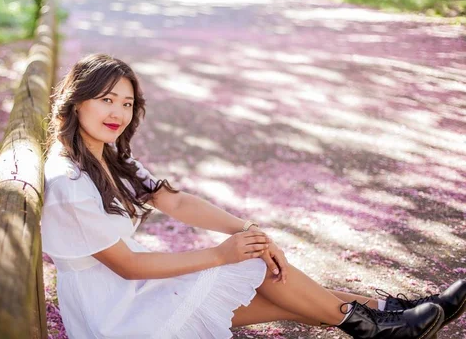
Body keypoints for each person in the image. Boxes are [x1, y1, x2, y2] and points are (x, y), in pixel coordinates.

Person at [41, 53, 466, 339]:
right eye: (106, 100)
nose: (118, 113)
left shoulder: (111, 161)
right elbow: (130, 267)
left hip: (136, 294)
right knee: (259, 272)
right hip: (117, 314)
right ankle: (387, 321)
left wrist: (248, 228)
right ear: (76, 103)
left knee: (286, 293)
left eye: (127, 103)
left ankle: (388, 318)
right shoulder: (69, 182)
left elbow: (179, 202)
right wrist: (223, 254)